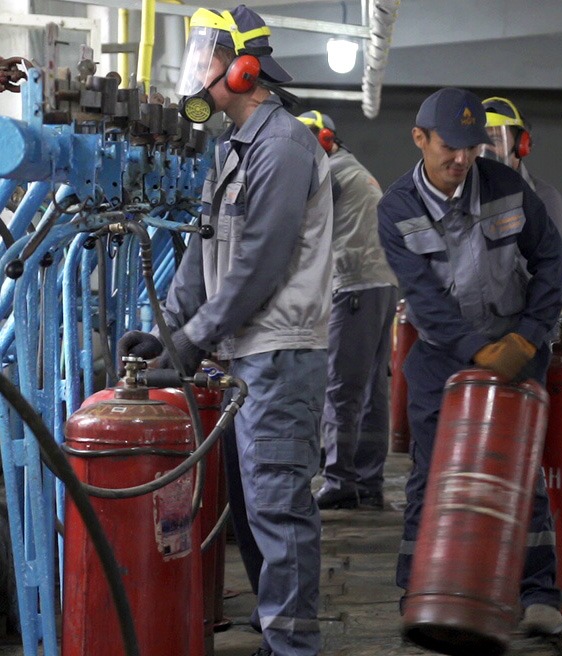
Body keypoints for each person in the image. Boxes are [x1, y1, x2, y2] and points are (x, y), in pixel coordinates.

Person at [119, 6, 333, 655]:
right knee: (249, 507)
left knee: (277, 506)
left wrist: (192, 342)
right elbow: (198, 259)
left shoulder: (285, 146)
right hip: (246, 354)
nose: (198, 76)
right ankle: (277, 628)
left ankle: (294, 645)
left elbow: (259, 263)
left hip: (280, 350)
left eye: (205, 59)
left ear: (244, 68)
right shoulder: (230, 153)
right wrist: (165, 332)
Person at [377, 87, 562, 636]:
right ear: (420, 139)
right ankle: (421, 589)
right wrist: (477, 353)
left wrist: (528, 339)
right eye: (448, 147)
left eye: (470, 147)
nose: (461, 159)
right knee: (432, 474)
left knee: (520, 472)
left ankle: (538, 596)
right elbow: (424, 299)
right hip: (443, 357)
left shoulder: (508, 188)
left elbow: (550, 260)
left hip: (515, 346)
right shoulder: (397, 210)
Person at [296, 109, 399, 511]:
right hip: (381, 285)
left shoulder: (331, 175)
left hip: (356, 286)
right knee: (373, 388)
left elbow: (302, 232)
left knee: (342, 387)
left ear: (324, 141)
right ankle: (368, 482)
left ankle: (340, 480)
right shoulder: (354, 169)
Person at [479, 96, 562, 234]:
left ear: (521, 146)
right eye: (479, 139)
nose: (484, 148)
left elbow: (544, 254)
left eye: (496, 139)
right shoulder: (458, 195)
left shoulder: (543, 198)